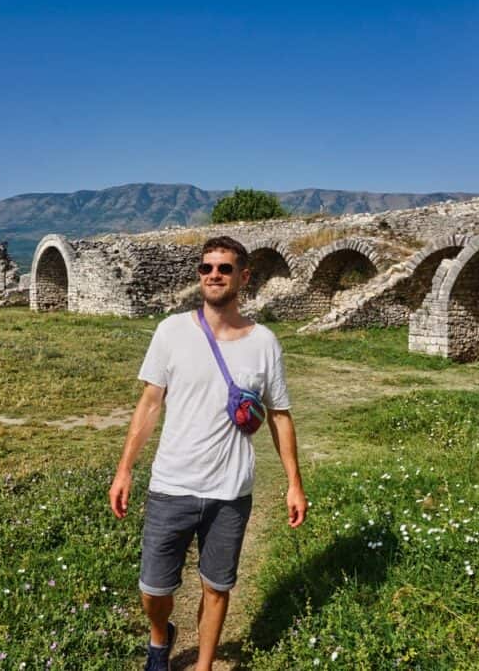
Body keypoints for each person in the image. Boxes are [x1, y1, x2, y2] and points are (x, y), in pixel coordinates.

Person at [109, 236, 308, 671]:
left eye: (223, 268)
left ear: (244, 277)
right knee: (154, 590)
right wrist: (125, 470)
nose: (213, 275)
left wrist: (295, 483)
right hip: (171, 485)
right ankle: (161, 637)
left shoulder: (265, 343)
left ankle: (202, 664)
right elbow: (149, 404)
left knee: (217, 587)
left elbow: (279, 416)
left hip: (230, 491)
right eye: (206, 268)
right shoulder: (171, 331)